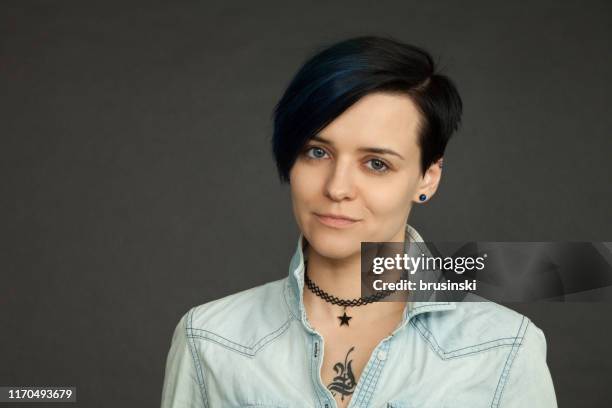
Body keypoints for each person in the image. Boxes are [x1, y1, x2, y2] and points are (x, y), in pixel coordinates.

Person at [160, 36, 557, 408]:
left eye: (376, 164)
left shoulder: (505, 346)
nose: (337, 188)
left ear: (427, 177)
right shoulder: (208, 338)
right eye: (317, 152)